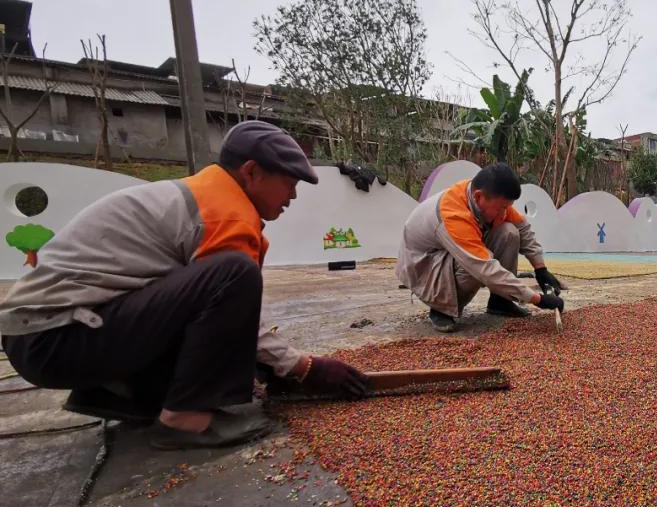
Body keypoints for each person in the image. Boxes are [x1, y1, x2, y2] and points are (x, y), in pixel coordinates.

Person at [0, 121, 370, 449]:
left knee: (222, 285)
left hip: (48, 336)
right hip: (56, 339)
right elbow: (229, 300)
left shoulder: (198, 197)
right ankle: (184, 420)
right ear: (252, 172)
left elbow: (202, 316)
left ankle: (122, 393)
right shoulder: (223, 213)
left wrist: (272, 367)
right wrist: (304, 367)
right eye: (289, 183)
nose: (292, 195)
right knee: (233, 273)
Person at [396, 162, 564, 332]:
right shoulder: (454, 215)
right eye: (501, 208)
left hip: (447, 251)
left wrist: (540, 269)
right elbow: (484, 267)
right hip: (425, 266)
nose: (504, 213)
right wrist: (536, 299)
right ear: (478, 197)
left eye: (507, 207)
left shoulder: (489, 197)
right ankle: (441, 307)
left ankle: (501, 302)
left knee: (510, 232)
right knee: (474, 265)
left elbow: (523, 228)